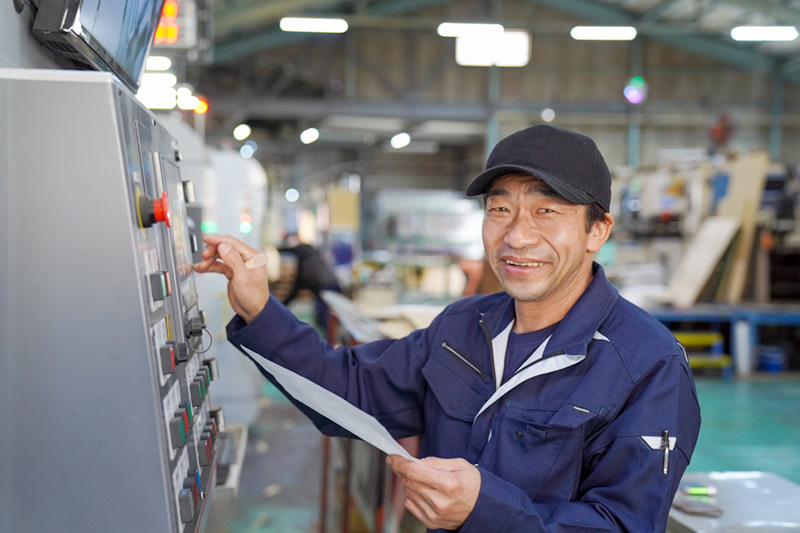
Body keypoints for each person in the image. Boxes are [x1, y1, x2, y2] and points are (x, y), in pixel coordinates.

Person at [193, 124, 701, 532]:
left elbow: (624, 524)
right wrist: (260, 309)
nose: (517, 236)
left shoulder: (647, 365)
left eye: (547, 211)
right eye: (500, 209)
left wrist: (488, 512)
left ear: (597, 231)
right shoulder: (464, 326)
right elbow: (348, 391)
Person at [277, 233, 341, 331]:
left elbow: (297, 285)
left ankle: (329, 339)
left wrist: (283, 304)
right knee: (325, 315)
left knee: (326, 316)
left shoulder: (305, 252)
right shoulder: (307, 258)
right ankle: (328, 337)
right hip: (328, 284)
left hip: (327, 286)